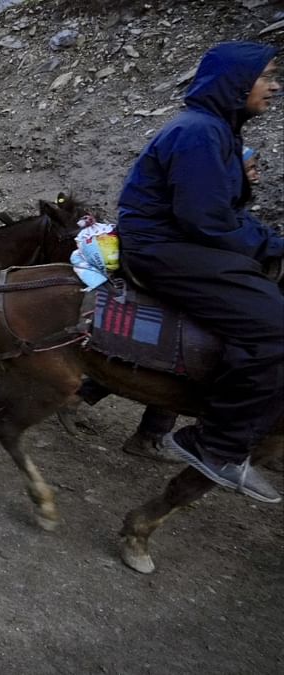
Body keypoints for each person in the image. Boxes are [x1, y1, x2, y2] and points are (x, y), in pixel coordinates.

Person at [117, 42, 283, 503]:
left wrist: (268, 242)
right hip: (163, 246)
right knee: (274, 327)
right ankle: (217, 444)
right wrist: (268, 244)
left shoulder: (219, 132)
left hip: (179, 239)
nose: (274, 86)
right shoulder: (200, 133)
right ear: (235, 84)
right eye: (265, 77)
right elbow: (205, 219)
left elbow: (224, 213)